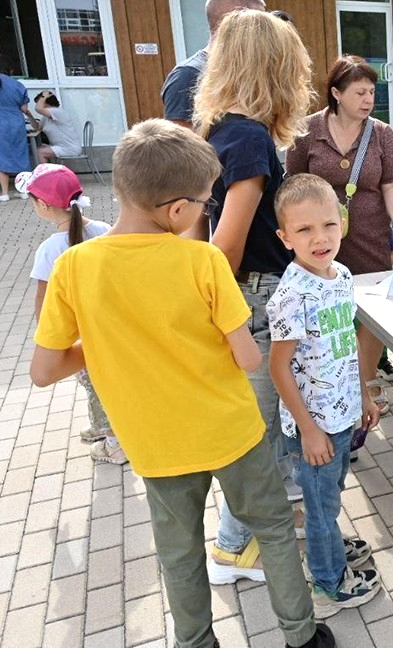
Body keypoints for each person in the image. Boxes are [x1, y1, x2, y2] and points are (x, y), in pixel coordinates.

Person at [30, 119, 335, 648]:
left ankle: (195, 642)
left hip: (155, 445)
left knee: (179, 552)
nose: (205, 212)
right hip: (230, 432)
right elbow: (246, 359)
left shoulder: (73, 267)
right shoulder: (203, 260)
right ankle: (300, 635)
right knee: (274, 529)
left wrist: (105, 343)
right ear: (177, 210)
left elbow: (43, 371)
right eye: (204, 204)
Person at [193, 8, 313, 583]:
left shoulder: (221, 129)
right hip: (256, 295)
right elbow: (227, 243)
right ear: (273, 67)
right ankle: (233, 548)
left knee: (259, 425)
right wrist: (220, 314)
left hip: (250, 296)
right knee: (260, 430)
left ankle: (253, 525)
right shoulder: (248, 137)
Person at [268, 174, 383, 617]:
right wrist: (310, 430)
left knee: (331, 493)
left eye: (328, 225)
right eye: (304, 230)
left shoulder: (343, 276)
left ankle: (329, 549)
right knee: (319, 508)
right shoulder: (291, 295)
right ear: (284, 237)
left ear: (343, 223)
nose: (320, 238)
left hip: (343, 415)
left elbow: (346, 344)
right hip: (313, 425)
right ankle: (329, 584)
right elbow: (279, 367)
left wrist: (365, 397)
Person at [286, 55, 393, 413]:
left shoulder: (382, 134)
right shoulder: (307, 132)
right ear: (336, 93)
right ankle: (333, 386)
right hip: (319, 244)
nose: (367, 100)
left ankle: (363, 385)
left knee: (373, 315)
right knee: (329, 316)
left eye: (372, 92)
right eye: (359, 92)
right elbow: (293, 186)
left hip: (370, 238)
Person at [18, 164, 125, 463]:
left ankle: (114, 441)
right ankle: (104, 426)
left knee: (95, 382)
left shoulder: (50, 249)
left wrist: (50, 342)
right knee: (107, 379)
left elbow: (44, 301)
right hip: (112, 326)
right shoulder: (104, 229)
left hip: (79, 333)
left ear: (43, 205)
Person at [161, 0, 266, 128]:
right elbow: (179, 147)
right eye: (259, 23)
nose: (267, 31)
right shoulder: (187, 75)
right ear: (233, 21)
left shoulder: (241, 71)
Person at [0, 70, 39, 201]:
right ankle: (23, 191)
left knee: (2, 157)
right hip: (16, 122)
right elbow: (24, 109)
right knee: (20, 154)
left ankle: (4, 193)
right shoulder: (17, 84)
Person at [34, 91, 81, 162]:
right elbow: (37, 127)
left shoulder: (57, 112)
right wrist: (29, 115)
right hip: (60, 146)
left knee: (40, 152)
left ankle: (46, 173)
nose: (38, 104)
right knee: (41, 147)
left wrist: (44, 96)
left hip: (69, 148)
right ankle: (50, 171)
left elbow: (38, 109)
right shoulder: (46, 116)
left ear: (46, 101)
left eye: (39, 102)